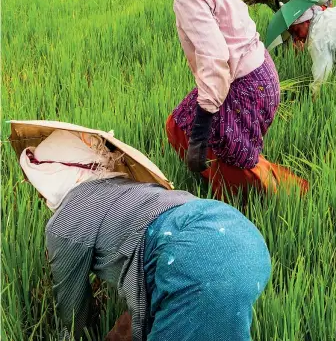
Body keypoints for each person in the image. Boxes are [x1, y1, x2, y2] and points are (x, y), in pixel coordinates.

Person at [17, 126, 272, 341]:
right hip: (242, 234)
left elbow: (72, 313)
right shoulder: (130, 187)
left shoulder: (64, 223)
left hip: (196, 258)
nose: (40, 196)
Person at [143, 0, 308, 198]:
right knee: (178, 124)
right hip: (259, 73)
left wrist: (203, 125)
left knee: (235, 165)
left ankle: (289, 197)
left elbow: (214, 56)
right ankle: (222, 183)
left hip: (244, 85)